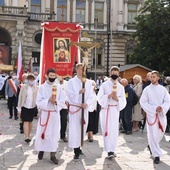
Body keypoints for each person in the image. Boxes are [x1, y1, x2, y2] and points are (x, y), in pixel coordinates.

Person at [34, 68, 66, 164]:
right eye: (50, 76)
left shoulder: (59, 87)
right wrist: (48, 100)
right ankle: (41, 150)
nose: (52, 77)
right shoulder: (42, 88)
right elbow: (38, 101)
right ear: (47, 76)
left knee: (54, 134)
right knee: (43, 134)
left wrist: (56, 102)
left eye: (53, 76)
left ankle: (53, 155)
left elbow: (63, 99)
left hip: (54, 114)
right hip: (45, 113)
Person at [140, 71, 170, 164]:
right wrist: (153, 109)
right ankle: (156, 155)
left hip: (161, 114)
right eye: (151, 77)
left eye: (154, 77)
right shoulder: (147, 89)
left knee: (160, 133)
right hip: (151, 115)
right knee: (153, 134)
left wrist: (162, 108)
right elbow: (143, 102)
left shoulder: (163, 89)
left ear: (158, 78)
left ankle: (151, 145)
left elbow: (167, 101)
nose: (152, 78)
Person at [67, 63, 94, 161]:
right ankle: (76, 150)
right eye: (79, 69)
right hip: (75, 108)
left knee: (82, 129)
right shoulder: (71, 82)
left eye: (83, 69)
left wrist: (86, 103)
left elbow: (92, 96)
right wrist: (78, 92)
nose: (81, 71)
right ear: (76, 70)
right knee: (75, 129)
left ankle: (79, 146)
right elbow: (69, 94)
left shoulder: (88, 82)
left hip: (84, 108)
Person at [97, 66, 126, 158]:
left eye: (116, 74)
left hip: (114, 110)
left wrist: (117, 98)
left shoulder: (121, 87)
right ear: (110, 74)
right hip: (106, 109)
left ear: (118, 75)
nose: (115, 75)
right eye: (113, 73)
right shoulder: (104, 85)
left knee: (113, 130)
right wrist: (108, 96)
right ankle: (108, 150)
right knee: (107, 130)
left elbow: (123, 100)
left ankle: (112, 149)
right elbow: (99, 97)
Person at [17, 74, 38, 143]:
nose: (31, 81)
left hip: (32, 107)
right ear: (28, 80)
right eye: (30, 80)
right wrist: (19, 108)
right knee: (25, 121)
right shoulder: (24, 87)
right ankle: (26, 137)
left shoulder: (36, 88)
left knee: (30, 122)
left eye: (32, 80)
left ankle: (29, 134)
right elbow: (20, 97)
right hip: (25, 106)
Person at [57, 76, 68, 142]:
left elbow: (68, 93)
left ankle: (63, 135)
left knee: (64, 119)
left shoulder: (67, 84)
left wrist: (66, 100)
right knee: (55, 120)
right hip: (56, 105)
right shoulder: (55, 83)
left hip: (64, 105)